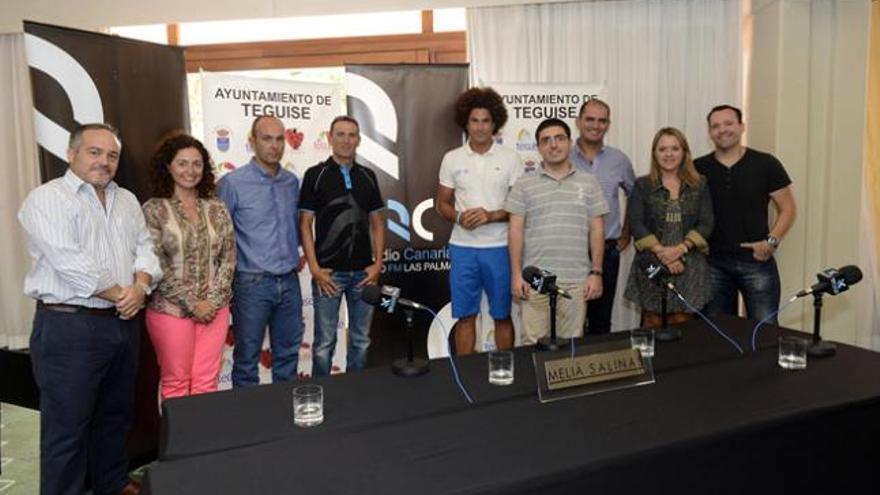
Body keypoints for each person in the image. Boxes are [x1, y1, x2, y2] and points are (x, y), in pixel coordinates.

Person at [18, 123, 161, 495]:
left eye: (111, 155)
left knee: (115, 417)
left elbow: (146, 249)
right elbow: (71, 262)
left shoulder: (127, 200)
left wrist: (141, 286)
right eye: (94, 152)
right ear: (72, 154)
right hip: (70, 327)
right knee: (67, 428)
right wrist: (123, 294)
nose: (104, 161)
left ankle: (111, 484)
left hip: (121, 325)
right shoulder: (46, 199)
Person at [142, 133, 235, 399]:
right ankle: (179, 442)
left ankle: (206, 442)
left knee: (207, 383)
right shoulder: (154, 209)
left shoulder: (216, 207)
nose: (190, 170)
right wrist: (192, 304)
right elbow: (155, 264)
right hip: (170, 311)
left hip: (215, 310)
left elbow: (228, 259)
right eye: (182, 163)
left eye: (196, 164)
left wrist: (212, 303)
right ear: (168, 166)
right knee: (176, 384)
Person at [217, 116, 303, 387]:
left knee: (288, 357)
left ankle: (284, 420)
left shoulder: (292, 182)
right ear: (252, 142)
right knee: (246, 361)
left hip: (290, 281)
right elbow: (220, 237)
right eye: (267, 138)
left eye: (280, 139)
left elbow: (300, 230)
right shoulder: (232, 183)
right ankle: (250, 425)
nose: (275, 145)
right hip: (251, 284)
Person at [507, 118, 609, 344]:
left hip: (576, 281)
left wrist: (596, 272)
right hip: (535, 282)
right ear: (539, 148)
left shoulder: (589, 183)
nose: (553, 145)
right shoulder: (524, 184)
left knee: (571, 347)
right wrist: (516, 274)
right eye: (546, 140)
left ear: (570, 143)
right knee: (532, 345)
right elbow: (515, 232)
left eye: (559, 138)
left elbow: (597, 230)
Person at [436, 87, 522, 354]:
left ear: (495, 123)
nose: (480, 127)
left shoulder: (511, 158)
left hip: (499, 248)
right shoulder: (452, 158)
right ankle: (467, 379)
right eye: (475, 120)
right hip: (463, 248)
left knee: (501, 315)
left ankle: (506, 371)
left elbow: (519, 207)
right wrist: (459, 216)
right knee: (465, 317)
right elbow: (442, 203)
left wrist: (491, 216)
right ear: (466, 122)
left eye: (486, 121)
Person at [694, 105, 797, 323]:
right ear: (710, 132)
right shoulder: (697, 168)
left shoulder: (766, 163)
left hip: (757, 261)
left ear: (741, 127)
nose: (722, 130)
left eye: (729, 123)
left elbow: (788, 208)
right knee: (715, 333)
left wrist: (771, 241)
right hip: (713, 264)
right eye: (716, 126)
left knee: (764, 332)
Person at [300, 116, 385, 375]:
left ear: (358, 140)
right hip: (328, 275)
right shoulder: (315, 175)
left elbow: (378, 224)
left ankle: (356, 397)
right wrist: (314, 268)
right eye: (340, 134)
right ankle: (323, 396)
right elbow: (305, 224)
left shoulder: (368, 176)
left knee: (361, 341)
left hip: (363, 275)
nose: (346, 140)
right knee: (324, 344)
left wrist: (378, 264)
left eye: (351, 135)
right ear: (329, 138)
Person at [624, 127, 714, 326]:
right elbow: (636, 223)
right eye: (662, 149)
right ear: (655, 154)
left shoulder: (699, 184)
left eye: (675, 148)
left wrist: (680, 250)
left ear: (684, 152)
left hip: (689, 265)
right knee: (652, 321)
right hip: (653, 263)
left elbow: (706, 222)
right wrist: (662, 253)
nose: (669, 154)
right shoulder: (643, 185)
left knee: (683, 323)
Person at [569, 98, 636, 335]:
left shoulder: (619, 160)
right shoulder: (561, 156)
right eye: (590, 119)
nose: (595, 125)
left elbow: (635, 196)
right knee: (568, 318)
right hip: (570, 250)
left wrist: (626, 231)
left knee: (600, 319)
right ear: (578, 121)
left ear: (608, 125)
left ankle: (597, 369)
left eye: (602, 121)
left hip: (607, 251)